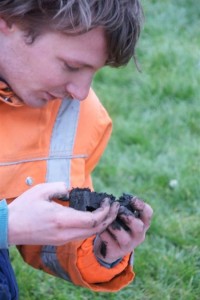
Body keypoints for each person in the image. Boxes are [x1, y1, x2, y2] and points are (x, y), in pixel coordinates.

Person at [0, 0, 153, 298]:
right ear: (7, 20)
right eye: (71, 66)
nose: (80, 92)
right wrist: (7, 223)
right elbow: (16, 224)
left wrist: (100, 251)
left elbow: (44, 233)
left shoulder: (75, 114)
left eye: (93, 71)